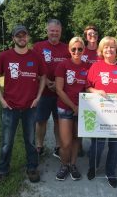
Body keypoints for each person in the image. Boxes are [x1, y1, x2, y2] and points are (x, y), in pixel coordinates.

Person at [0, 25, 46, 183]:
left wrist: (38, 97)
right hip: (10, 107)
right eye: (18, 36)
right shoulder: (5, 56)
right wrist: (1, 100)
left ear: (28, 37)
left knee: (30, 140)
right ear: (13, 39)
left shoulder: (36, 56)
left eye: (24, 35)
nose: (22, 38)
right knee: (7, 142)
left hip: (30, 107)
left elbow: (43, 77)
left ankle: (32, 168)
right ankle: (2, 170)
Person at [86, 36, 117, 188]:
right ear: (101, 50)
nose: (109, 49)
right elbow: (87, 87)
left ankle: (110, 172)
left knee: (114, 146)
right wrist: (96, 91)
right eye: (106, 47)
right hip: (101, 113)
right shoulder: (96, 67)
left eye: (112, 47)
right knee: (98, 145)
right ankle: (93, 167)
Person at [33, 19, 71, 158]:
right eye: (52, 30)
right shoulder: (38, 47)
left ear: (60, 32)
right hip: (43, 91)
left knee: (58, 121)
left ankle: (58, 147)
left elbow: (71, 68)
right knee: (41, 120)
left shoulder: (67, 48)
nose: (54, 33)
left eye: (57, 31)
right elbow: (32, 68)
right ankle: (39, 146)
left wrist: (58, 84)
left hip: (61, 93)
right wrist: (48, 82)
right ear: (47, 31)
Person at [54, 37, 89, 181]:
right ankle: (64, 165)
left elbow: (88, 88)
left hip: (82, 108)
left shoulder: (88, 67)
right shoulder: (63, 65)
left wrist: (81, 106)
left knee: (76, 140)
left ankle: (73, 165)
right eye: (73, 49)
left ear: (83, 50)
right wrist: (73, 106)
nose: (76, 51)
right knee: (66, 142)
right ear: (69, 50)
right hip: (65, 108)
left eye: (80, 49)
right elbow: (59, 89)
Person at [78, 25, 101, 157]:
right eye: (89, 34)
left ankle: (94, 146)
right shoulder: (81, 50)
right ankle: (79, 145)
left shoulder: (102, 51)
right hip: (81, 87)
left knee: (95, 119)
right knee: (81, 118)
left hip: (97, 90)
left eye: (95, 33)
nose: (92, 36)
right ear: (86, 36)